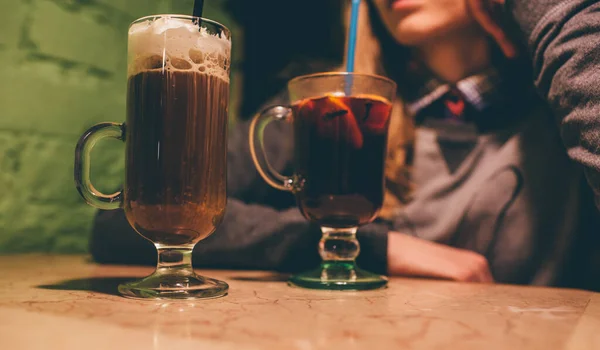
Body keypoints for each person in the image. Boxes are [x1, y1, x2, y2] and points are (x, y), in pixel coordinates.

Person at [90, 0, 595, 287]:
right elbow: (125, 220)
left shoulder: (569, 98)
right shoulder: (327, 109)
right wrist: (380, 246)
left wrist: (543, 8)